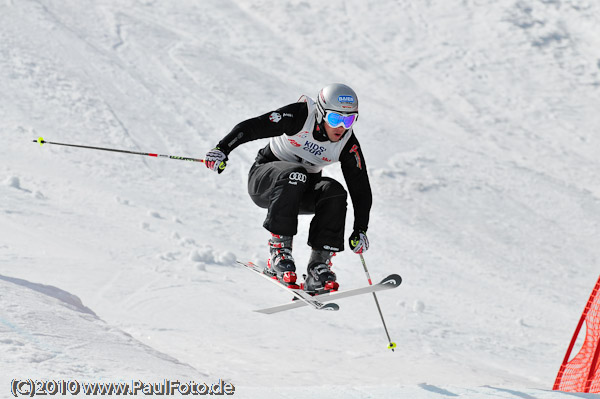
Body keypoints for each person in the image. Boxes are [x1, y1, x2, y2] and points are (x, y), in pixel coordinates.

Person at [204, 83, 372, 294]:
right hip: (265, 181)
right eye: (335, 119)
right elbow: (253, 126)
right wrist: (222, 148)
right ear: (321, 113)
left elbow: (361, 188)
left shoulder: (348, 143)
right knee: (296, 172)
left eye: (349, 120)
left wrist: (360, 229)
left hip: (300, 192)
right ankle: (279, 251)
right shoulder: (301, 116)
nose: (341, 127)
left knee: (335, 191)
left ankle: (318, 267)